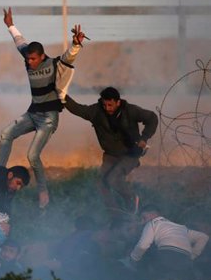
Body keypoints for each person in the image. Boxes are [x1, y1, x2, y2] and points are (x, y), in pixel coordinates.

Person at [0, 7, 87, 208]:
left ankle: (43, 192)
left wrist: (76, 44)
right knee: (5, 134)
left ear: (42, 56)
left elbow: (68, 57)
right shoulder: (28, 58)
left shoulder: (53, 64)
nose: (29, 62)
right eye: (28, 59)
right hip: (33, 113)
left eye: (33, 59)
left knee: (32, 155)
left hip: (48, 117)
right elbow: (20, 42)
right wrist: (10, 25)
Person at [64, 87, 158, 216]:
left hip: (130, 153)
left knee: (113, 178)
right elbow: (77, 109)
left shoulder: (130, 110)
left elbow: (152, 118)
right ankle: (115, 215)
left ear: (118, 102)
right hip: (110, 155)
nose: (107, 108)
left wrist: (144, 138)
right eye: (104, 104)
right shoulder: (96, 111)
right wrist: (62, 94)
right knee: (101, 184)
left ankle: (131, 199)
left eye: (110, 105)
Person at [129, 204, 208, 278]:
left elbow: (143, 245)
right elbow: (204, 237)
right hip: (185, 258)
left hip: (167, 255)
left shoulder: (152, 223)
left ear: (153, 214)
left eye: (144, 217)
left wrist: (133, 259)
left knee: (152, 273)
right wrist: (193, 254)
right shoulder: (180, 227)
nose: (143, 222)